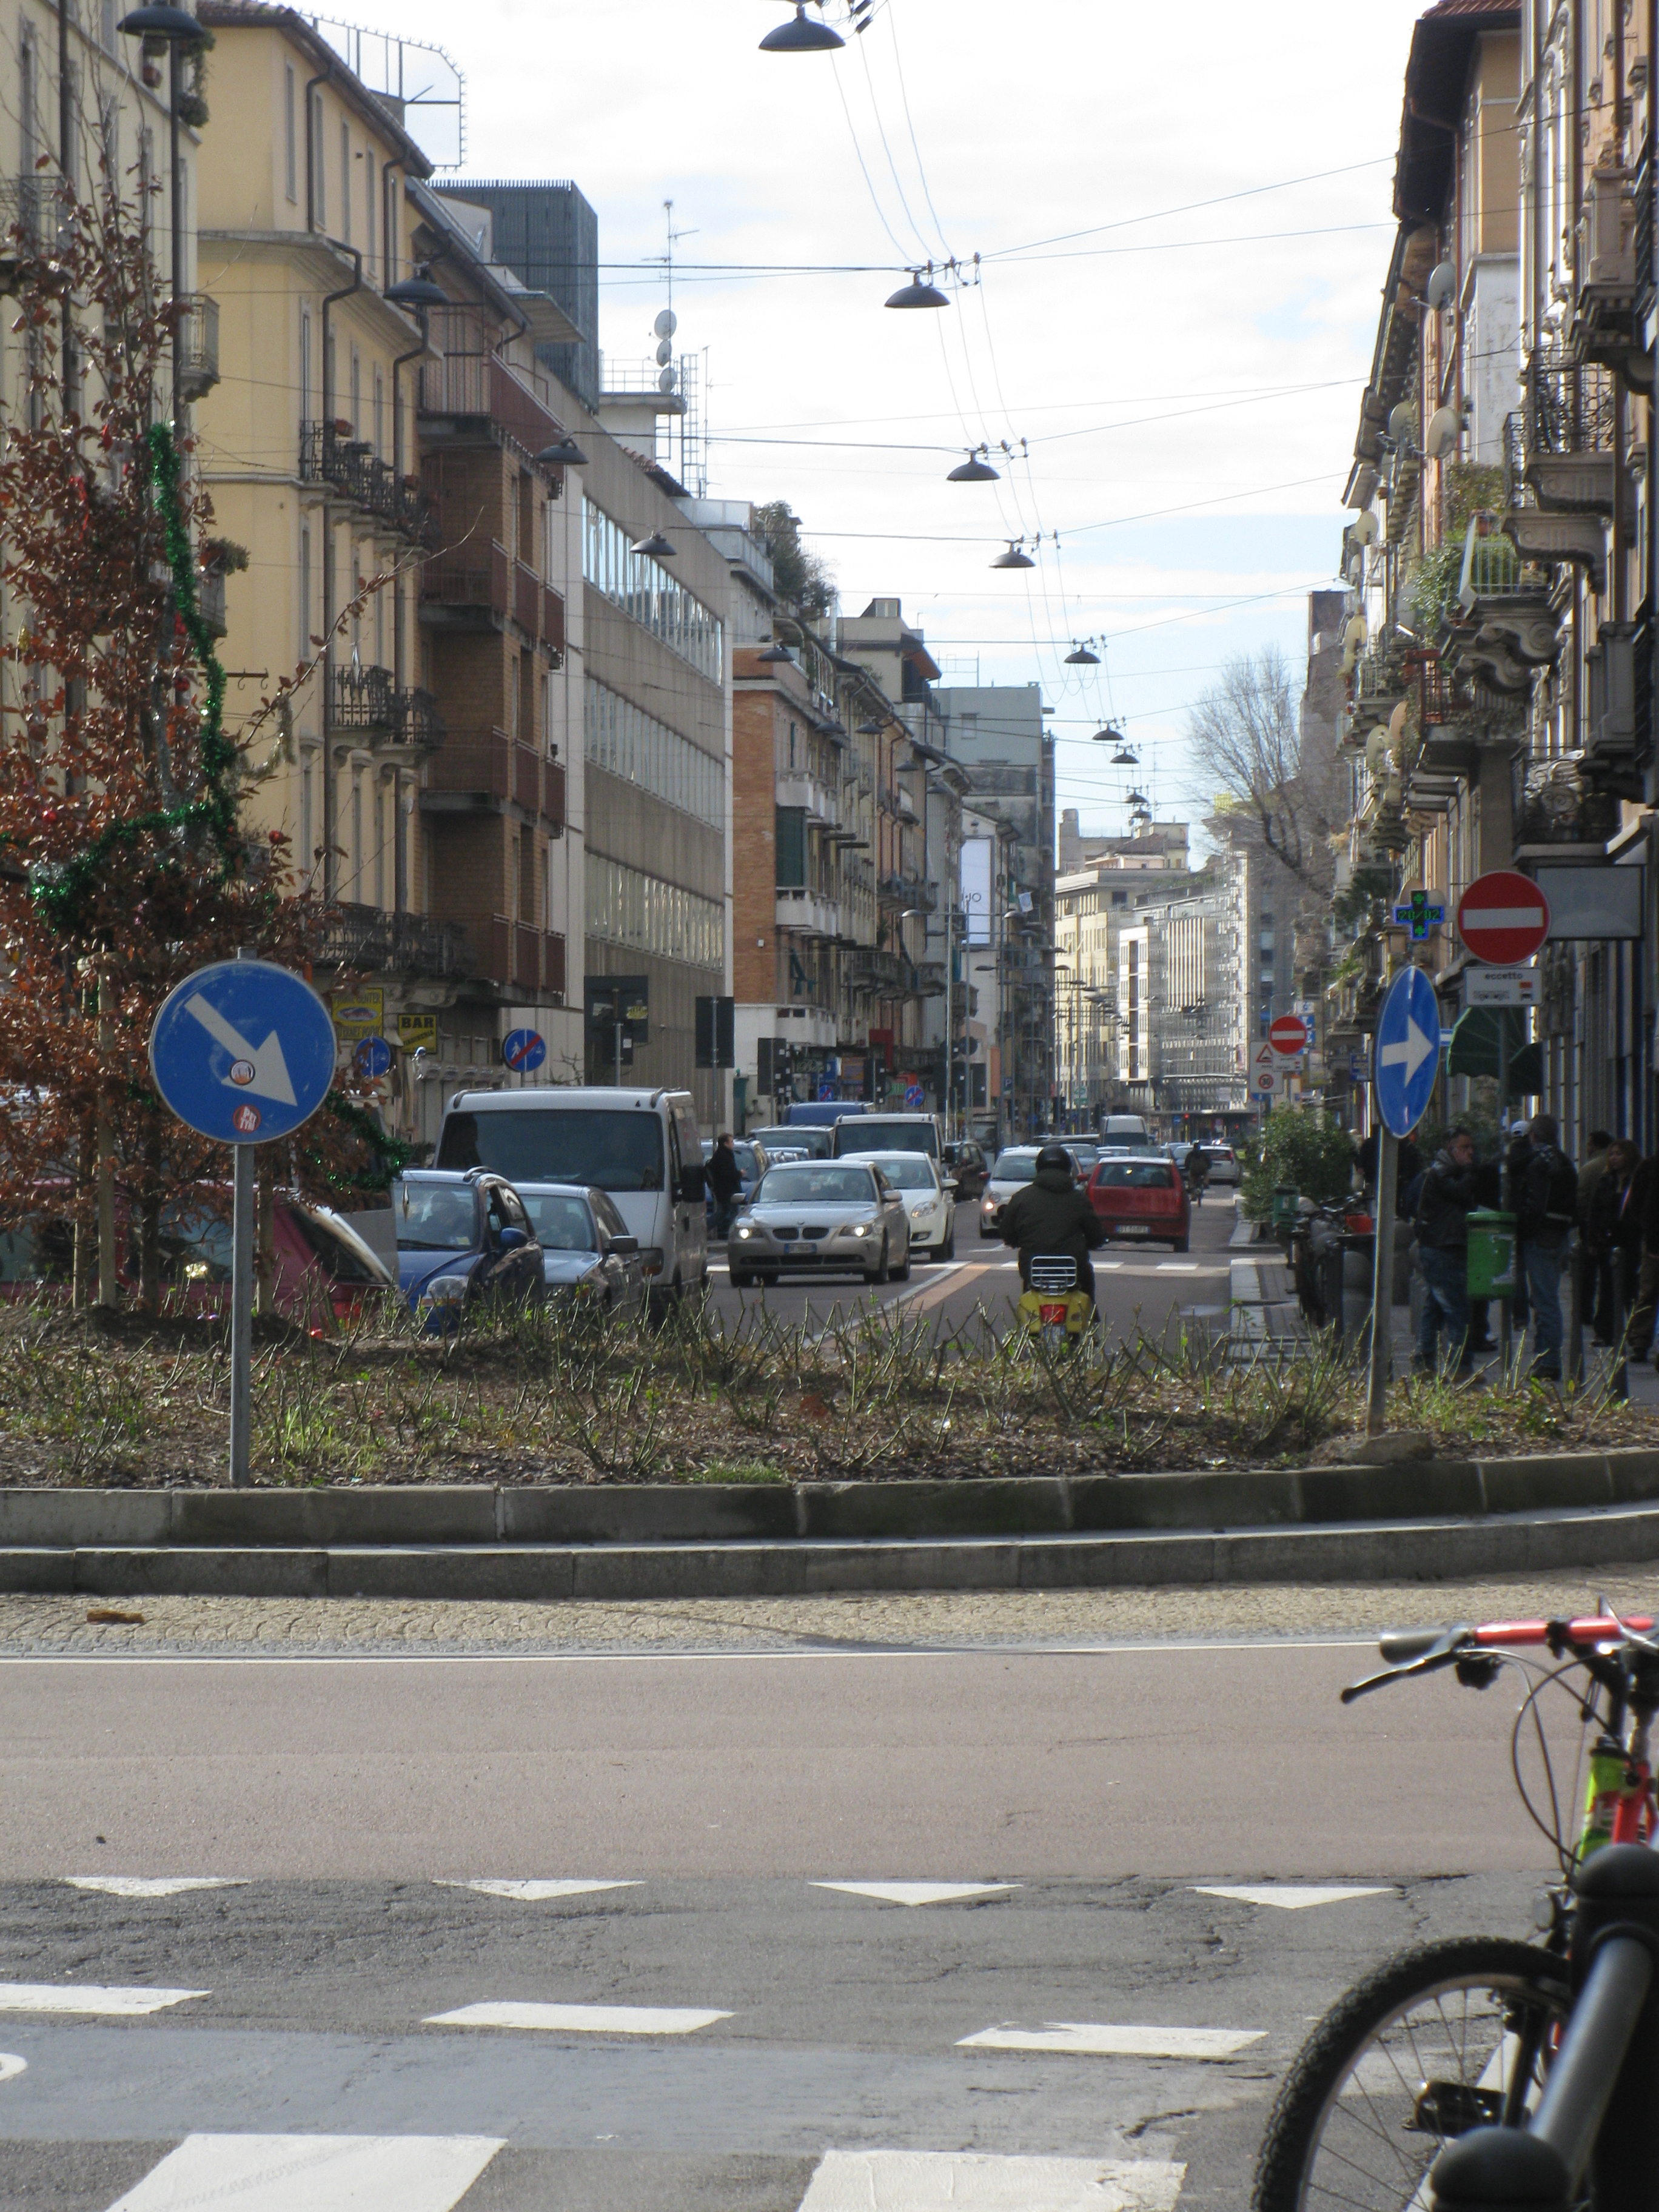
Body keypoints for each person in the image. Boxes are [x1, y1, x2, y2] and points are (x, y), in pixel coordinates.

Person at [1507, 1111, 1578, 1382]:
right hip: (1560, 1235)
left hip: (1540, 1236)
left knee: (1545, 1302)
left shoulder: (1538, 1164)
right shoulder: (1565, 1162)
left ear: (1534, 1136)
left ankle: (1548, 1360)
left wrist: (1524, 1230)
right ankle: (1543, 1356)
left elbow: (1534, 1205)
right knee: (1547, 1299)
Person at [999, 1142, 1106, 1301]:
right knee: (1086, 1290)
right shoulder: (1078, 1199)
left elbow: (1007, 1232)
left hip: (1034, 1270)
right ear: (1068, 1169)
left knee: (1028, 1297)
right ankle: (1091, 1314)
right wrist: (1092, 1242)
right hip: (1073, 1270)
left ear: (1039, 1168)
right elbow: (1096, 1235)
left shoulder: (1022, 1198)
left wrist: (1017, 1240)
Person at [1413, 1127, 1481, 1375]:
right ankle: (1460, 1366)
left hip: (1444, 1247)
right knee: (1456, 1308)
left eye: (1472, 1147)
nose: (1471, 1152)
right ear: (1452, 1150)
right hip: (1441, 1249)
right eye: (1465, 1148)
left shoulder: (1450, 1172)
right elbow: (1460, 1193)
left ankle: (1424, 1361)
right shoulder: (1441, 1173)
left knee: (1435, 1308)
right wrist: (1470, 1170)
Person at [1577, 1130, 1614, 1344]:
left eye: (1589, 1144)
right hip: (1612, 1230)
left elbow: (1581, 1197)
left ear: (1596, 1145)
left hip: (1592, 1226)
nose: (1587, 1147)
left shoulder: (1590, 1168)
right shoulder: (1615, 1167)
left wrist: (1583, 1221)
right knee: (1610, 1277)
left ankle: (1585, 1311)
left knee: (1588, 1271)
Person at [706, 1132, 744, 1241]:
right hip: (728, 1192)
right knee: (734, 1214)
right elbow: (727, 1174)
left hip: (724, 1192)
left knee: (722, 1214)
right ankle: (734, 1236)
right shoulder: (724, 1156)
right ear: (725, 1143)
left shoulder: (722, 1155)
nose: (733, 1144)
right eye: (731, 1142)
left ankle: (704, 1229)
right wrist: (739, 1174)